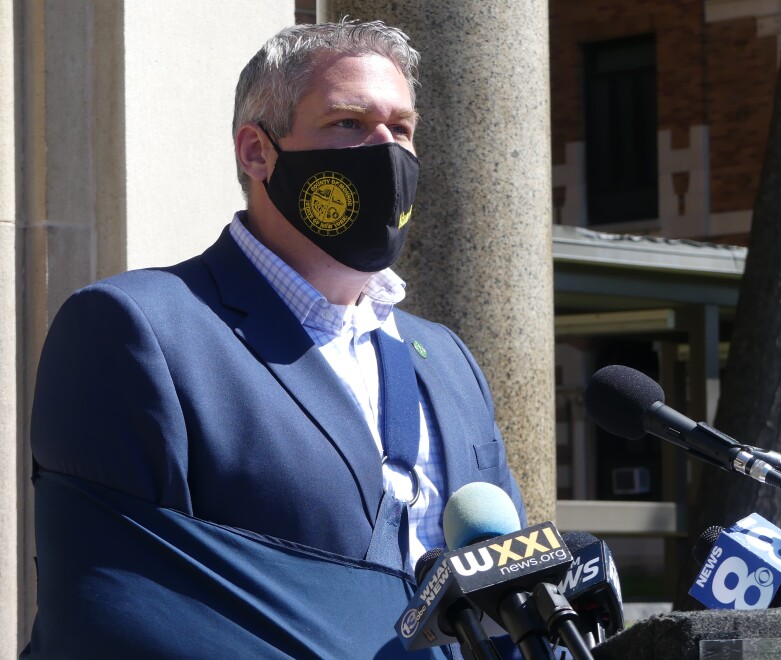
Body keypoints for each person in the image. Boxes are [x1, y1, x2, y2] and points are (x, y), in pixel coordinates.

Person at [24, 19, 525, 659]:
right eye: (348, 122)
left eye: (401, 129)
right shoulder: (137, 328)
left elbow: (507, 587)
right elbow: (122, 611)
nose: (386, 150)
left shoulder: (447, 359)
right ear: (257, 152)